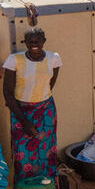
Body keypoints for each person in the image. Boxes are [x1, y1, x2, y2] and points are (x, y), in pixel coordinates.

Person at [3, 27, 57, 186]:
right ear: (25, 43)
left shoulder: (54, 58)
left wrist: (40, 101)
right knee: (22, 153)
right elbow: (7, 92)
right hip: (21, 111)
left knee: (46, 150)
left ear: (44, 41)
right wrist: (24, 121)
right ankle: (25, 185)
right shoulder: (14, 60)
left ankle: (46, 185)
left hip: (46, 109)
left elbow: (50, 83)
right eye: (30, 41)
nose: (34, 43)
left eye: (37, 40)